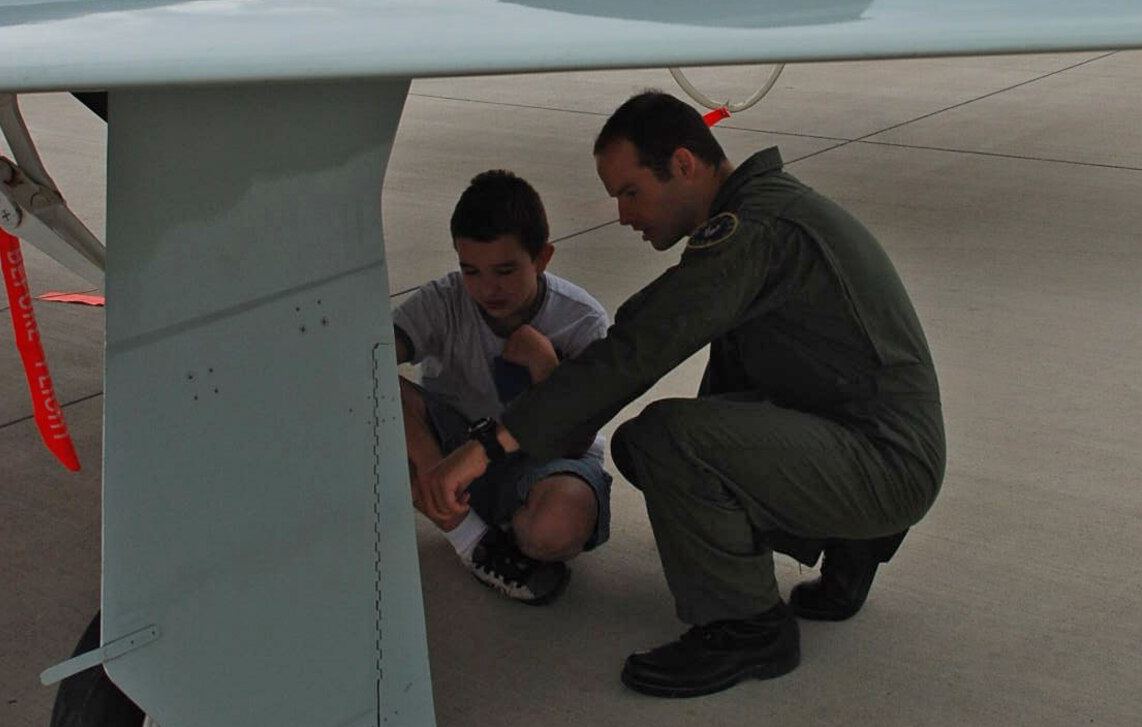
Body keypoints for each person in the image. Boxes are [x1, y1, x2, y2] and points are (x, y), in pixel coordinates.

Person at [413, 93, 944, 694]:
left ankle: (746, 628)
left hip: (883, 459)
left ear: (685, 165)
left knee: (665, 440)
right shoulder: (769, 211)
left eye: (630, 191)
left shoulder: (752, 231)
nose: (622, 214)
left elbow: (637, 349)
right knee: (680, 429)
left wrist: (490, 443)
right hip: (871, 439)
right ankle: (853, 540)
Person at [395, 168, 612, 605]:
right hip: (452, 445)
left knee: (557, 528)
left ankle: (505, 527)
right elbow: (366, 357)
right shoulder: (445, 300)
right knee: (371, 392)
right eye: (471, 270)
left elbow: (574, 441)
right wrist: (433, 465)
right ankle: (473, 541)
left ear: (543, 258)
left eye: (506, 270)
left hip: (544, 459)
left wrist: (547, 366)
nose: (487, 288)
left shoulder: (583, 321)